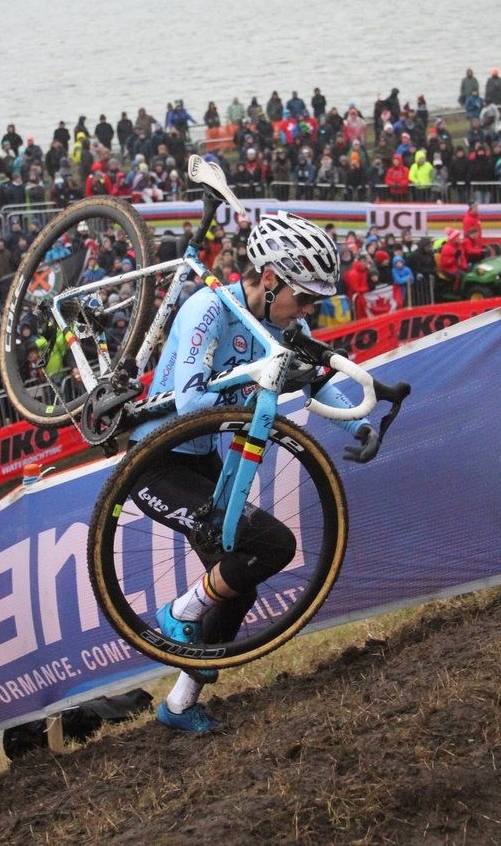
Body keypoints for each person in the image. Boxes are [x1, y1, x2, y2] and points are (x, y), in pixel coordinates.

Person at [127, 213, 381, 733]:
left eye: (315, 303)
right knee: (271, 546)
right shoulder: (209, 308)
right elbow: (192, 401)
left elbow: (317, 386)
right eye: (304, 298)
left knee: (237, 583)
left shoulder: (289, 325)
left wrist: (358, 425)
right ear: (269, 279)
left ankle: (178, 705)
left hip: (204, 463)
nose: (308, 311)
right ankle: (177, 613)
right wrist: (261, 372)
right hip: (155, 458)